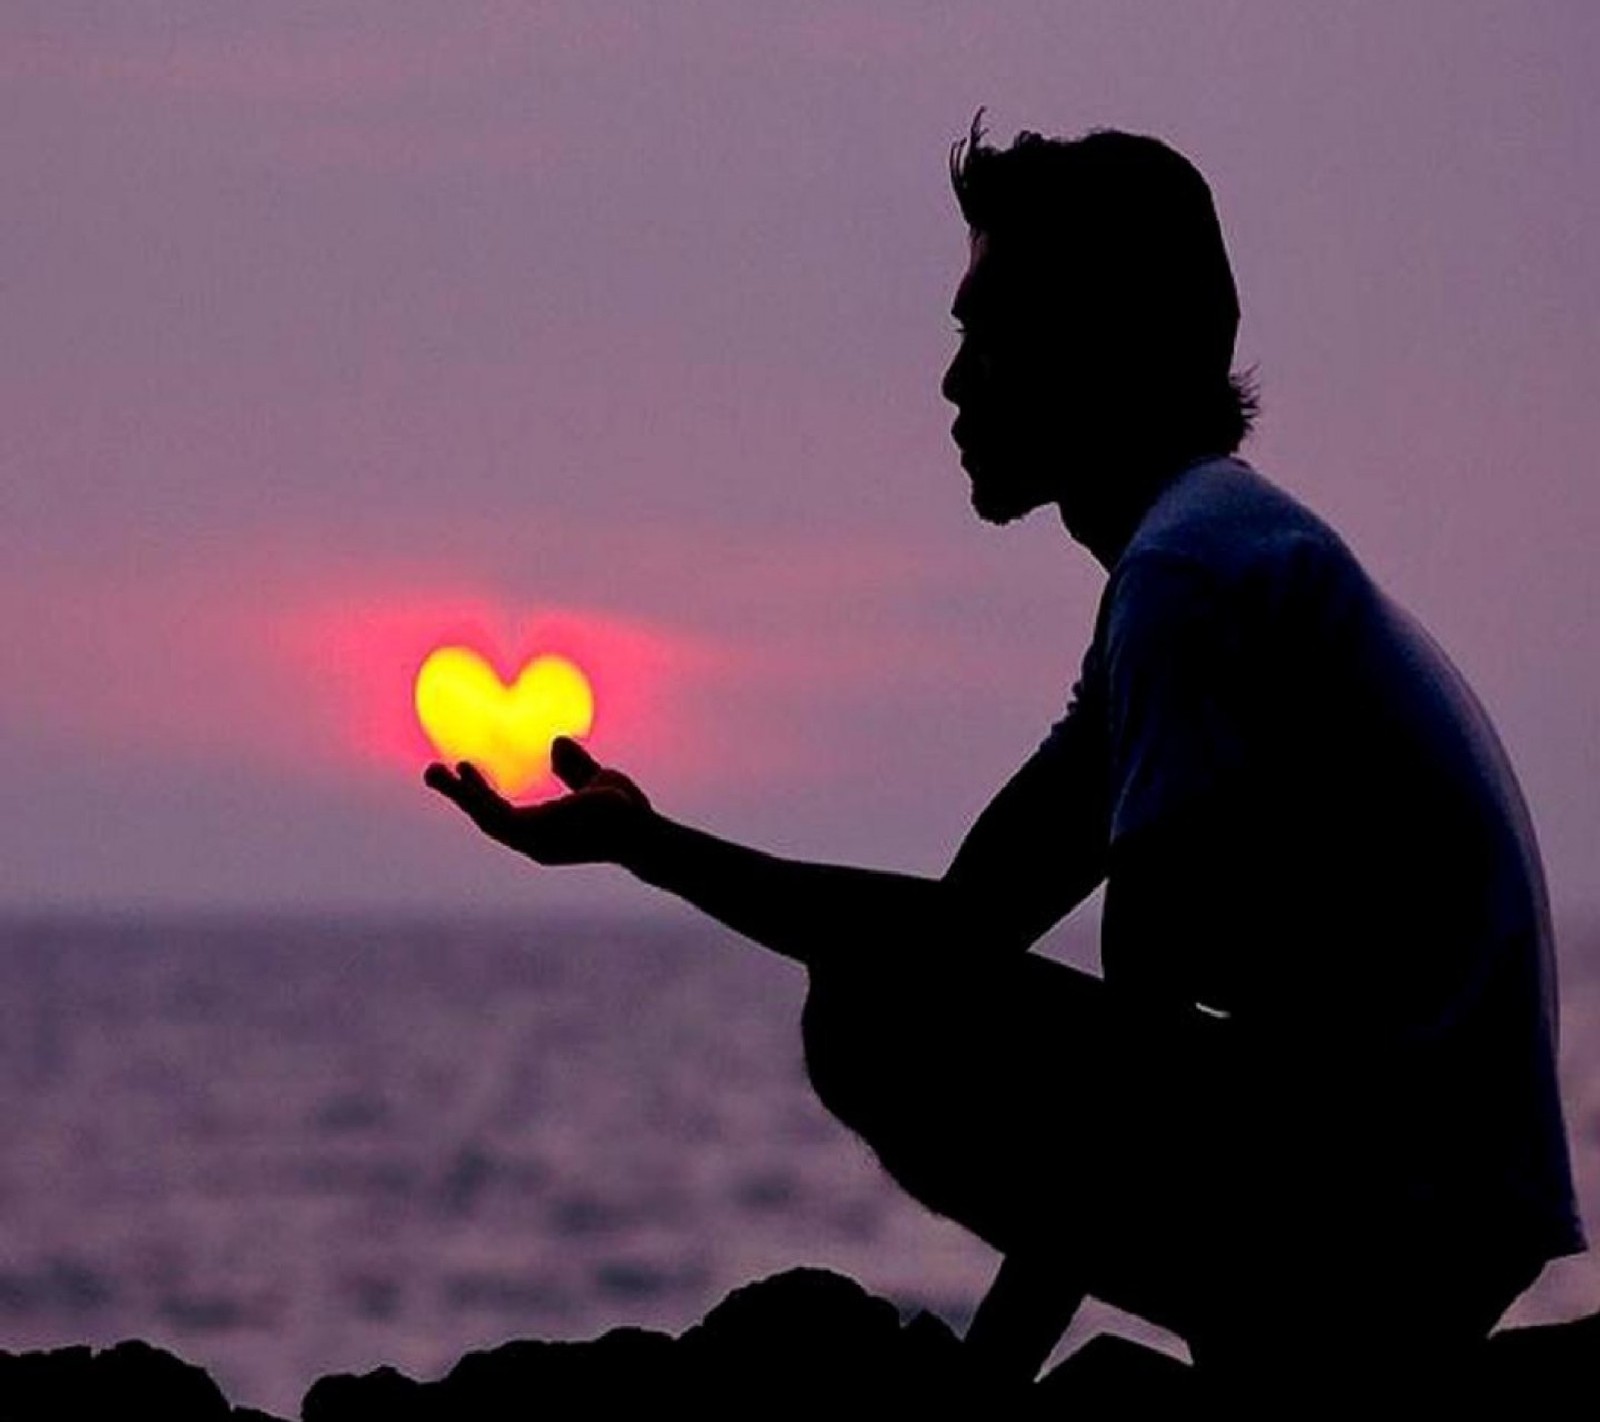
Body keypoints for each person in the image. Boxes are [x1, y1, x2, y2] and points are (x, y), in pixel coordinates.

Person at [424, 117, 1585, 1397]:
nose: (953, 381)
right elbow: (961, 930)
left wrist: (987, 1391)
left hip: (1397, 1212)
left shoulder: (1188, 577)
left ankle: (1281, 1363)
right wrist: (647, 844)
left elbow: (1131, 1070)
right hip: (1418, 1190)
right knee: (885, 987)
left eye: (987, 329)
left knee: (876, 1021)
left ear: (1098, 344)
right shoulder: (1195, 560)